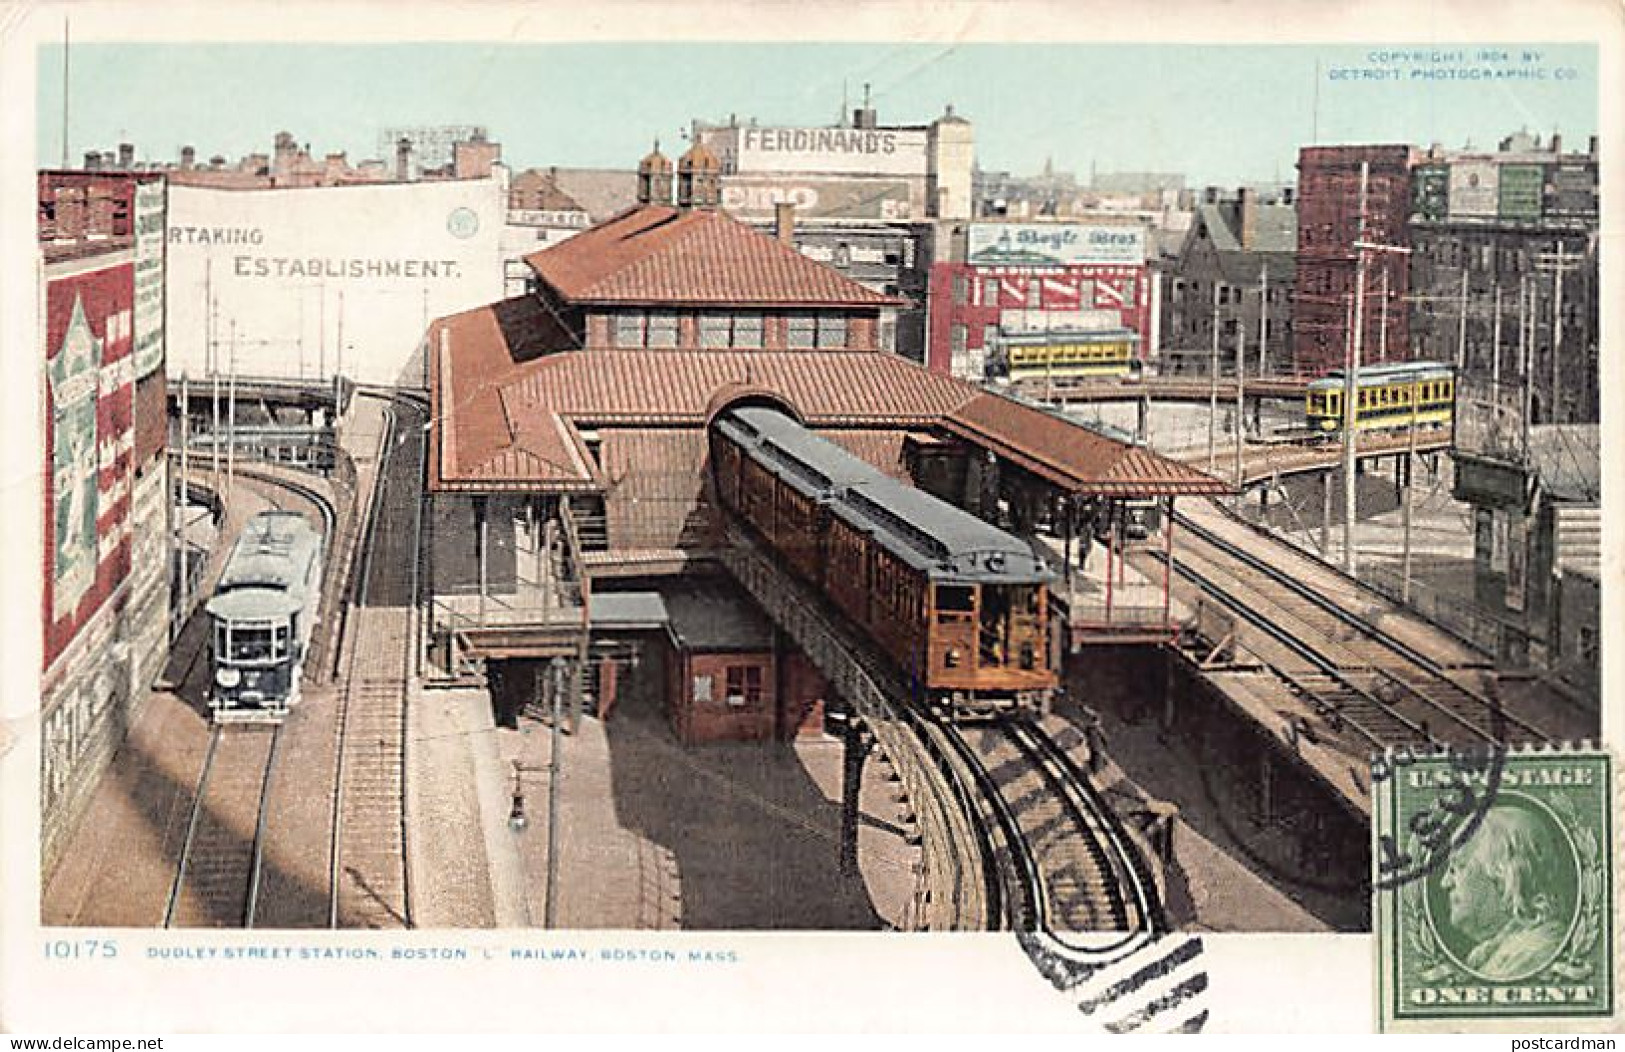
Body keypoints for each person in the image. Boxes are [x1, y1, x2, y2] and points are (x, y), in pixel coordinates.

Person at [1440, 804, 1570, 981]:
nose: (1445, 883)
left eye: (1457, 867)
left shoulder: (1532, 953)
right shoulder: (1493, 954)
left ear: (1504, 875)